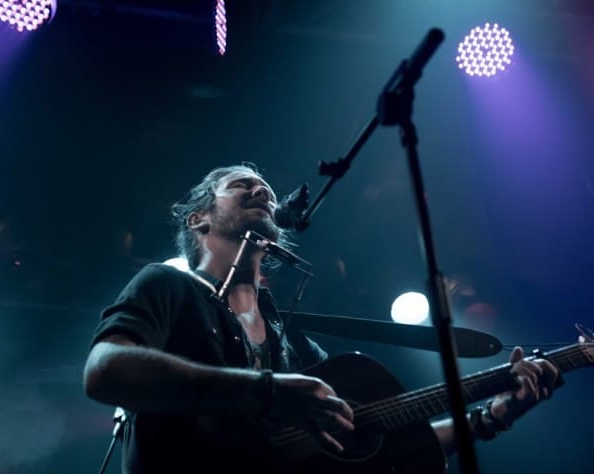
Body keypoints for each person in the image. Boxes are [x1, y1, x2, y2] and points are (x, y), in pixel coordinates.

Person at [83, 164, 560, 473]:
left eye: (263, 184)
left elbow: (380, 439)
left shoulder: (289, 338)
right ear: (198, 220)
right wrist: (269, 392)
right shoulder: (168, 286)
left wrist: (493, 415)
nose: (260, 188)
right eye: (239, 184)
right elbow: (105, 370)